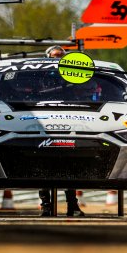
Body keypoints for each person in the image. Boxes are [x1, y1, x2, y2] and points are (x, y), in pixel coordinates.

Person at [39, 44, 83, 217]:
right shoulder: (39, 75)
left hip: (69, 121)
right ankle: (46, 206)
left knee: (69, 165)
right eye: (55, 56)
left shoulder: (73, 76)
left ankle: (73, 206)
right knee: (43, 164)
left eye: (61, 56)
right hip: (43, 123)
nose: (58, 60)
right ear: (48, 58)